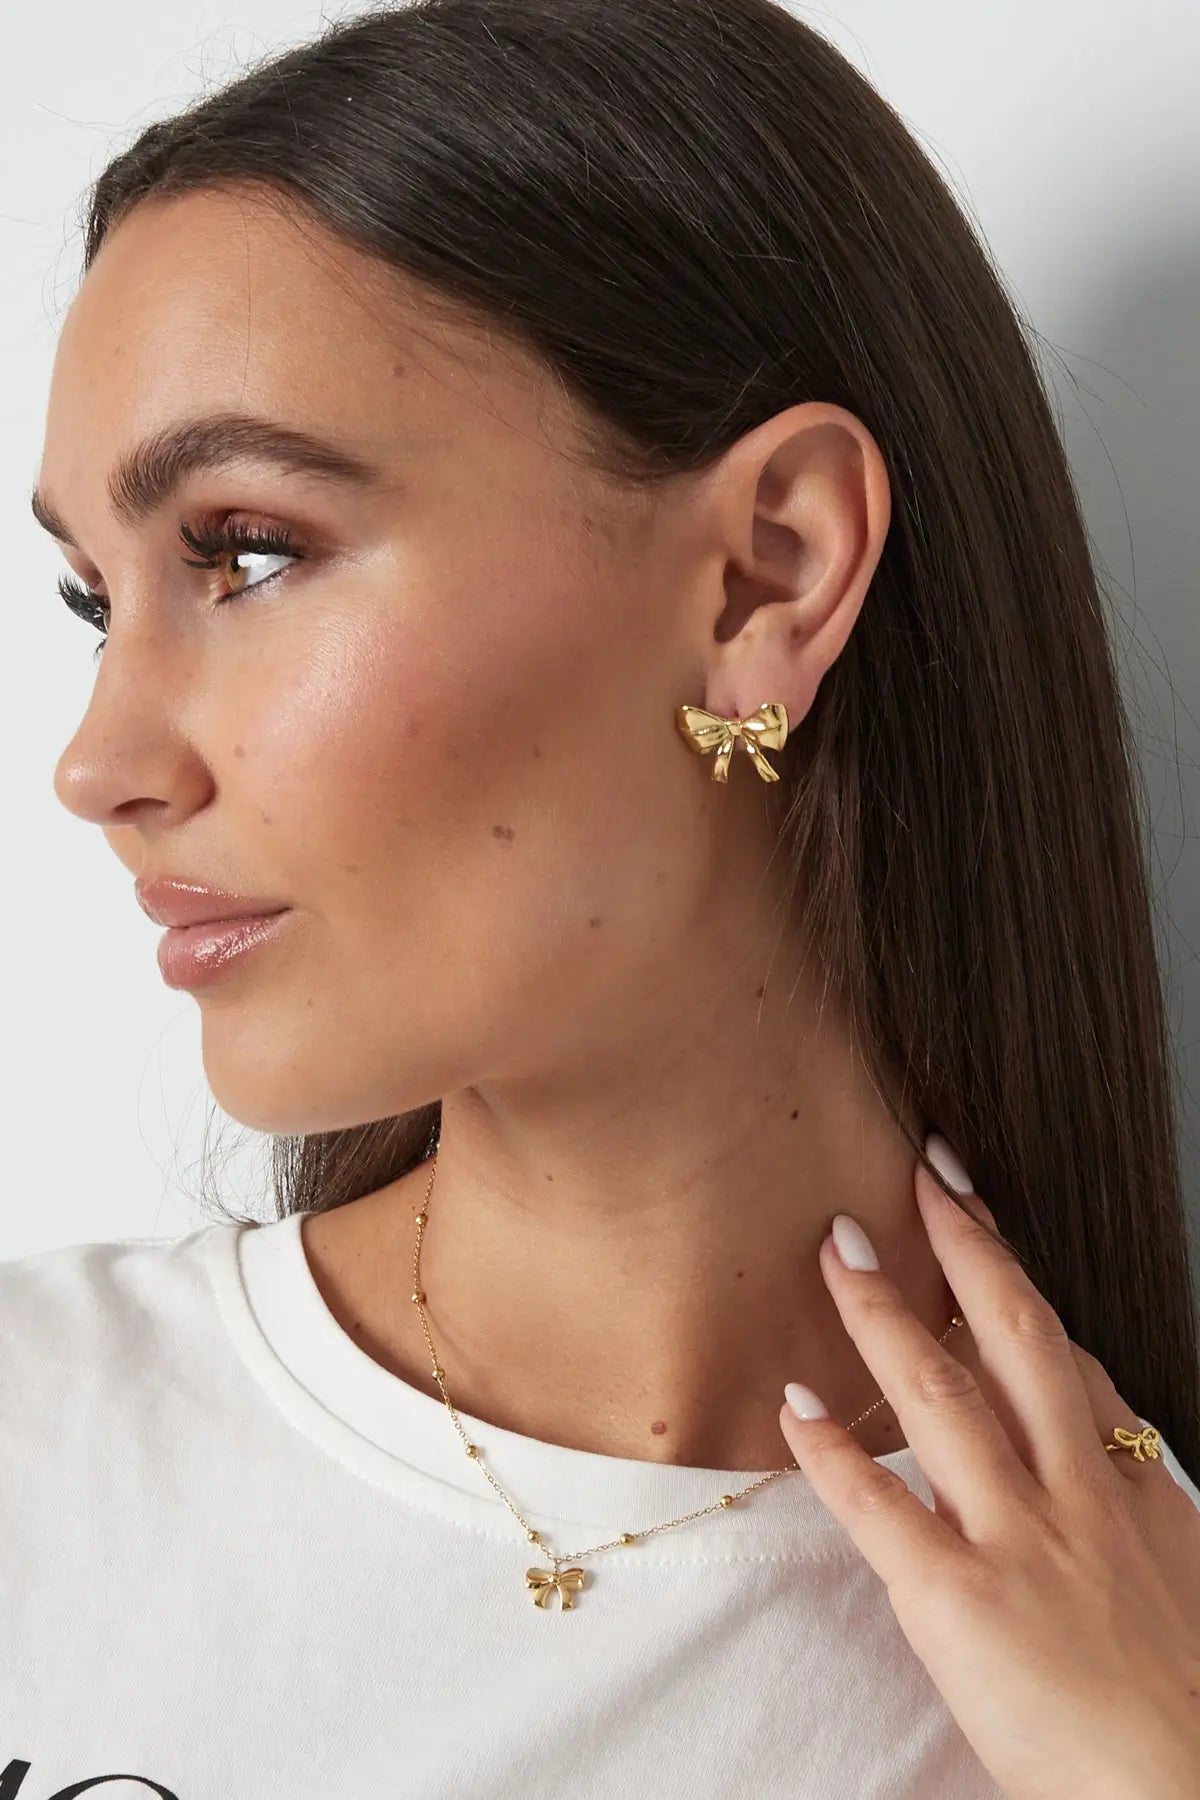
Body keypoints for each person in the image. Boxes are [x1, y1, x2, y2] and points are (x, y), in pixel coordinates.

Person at [5, 1, 1198, 1795]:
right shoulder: (39, 1445)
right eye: (96, 603)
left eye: (247, 553)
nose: (98, 764)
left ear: (767, 573)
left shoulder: (1149, 1668)